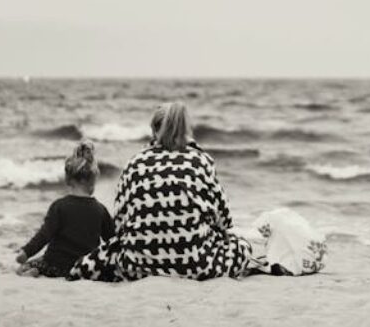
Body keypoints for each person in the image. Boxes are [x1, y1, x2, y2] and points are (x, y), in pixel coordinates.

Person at [68, 102, 252, 281]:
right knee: (242, 246)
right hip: (196, 265)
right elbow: (224, 219)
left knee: (98, 258)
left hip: (137, 265)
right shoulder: (201, 160)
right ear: (184, 131)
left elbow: (119, 223)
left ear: (154, 131)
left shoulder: (136, 163)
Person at [16, 141, 115, 278]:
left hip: (55, 264)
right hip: (83, 267)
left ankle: (36, 271)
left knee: (24, 267)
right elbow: (112, 240)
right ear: (93, 181)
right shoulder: (100, 210)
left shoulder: (59, 206)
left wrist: (26, 252)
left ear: (67, 180)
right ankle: (36, 271)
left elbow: (44, 235)